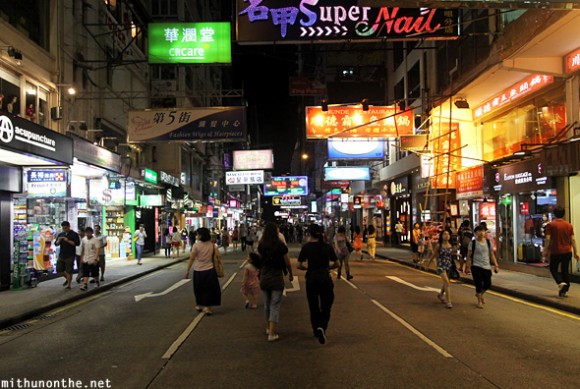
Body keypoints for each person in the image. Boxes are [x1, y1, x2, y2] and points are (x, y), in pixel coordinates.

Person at [297, 223, 339, 345]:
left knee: (313, 306)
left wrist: (307, 268)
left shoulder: (306, 248)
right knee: (326, 305)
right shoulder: (327, 247)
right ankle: (322, 326)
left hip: (311, 279)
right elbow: (337, 264)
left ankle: (316, 330)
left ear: (309, 234)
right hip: (325, 278)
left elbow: (299, 265)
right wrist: (328, 267)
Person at [257, 222, 293, 342]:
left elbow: (259, 260)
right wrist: (290, 273)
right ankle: (272, 333)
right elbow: (287, 261)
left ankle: (268, 328)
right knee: (275, 305)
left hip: (264, 275)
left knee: (267, 304)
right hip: (276, 276)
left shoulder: (261, 245)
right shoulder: (280, 245)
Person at [543, 206, 579, 297]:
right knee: (565, 270)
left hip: (556, 251)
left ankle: (560, 283)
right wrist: (576, 252)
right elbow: (573, 239)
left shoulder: (550, 225)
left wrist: (545, 251)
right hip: (567, 251)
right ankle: (564, 290)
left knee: (553, 269)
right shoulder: (568, 225)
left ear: (554, 214)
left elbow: (548, 239)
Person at [184, 227, 221, 315]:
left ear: (201, 236)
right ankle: (207, 307)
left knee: (199, 289)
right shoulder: (212, 245)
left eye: (198, 234)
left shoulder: (196, 246)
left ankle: (199, 304)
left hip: (198, 270)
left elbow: (192, 258)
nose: (197, 236)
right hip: (210, 270)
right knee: (210, 289)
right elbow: (219, 256)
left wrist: (187, 271)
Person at [465, 225, 499, 308]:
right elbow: (468, 255)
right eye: (479, 231)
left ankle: (480, 294)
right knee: (478, 283)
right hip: (476, 266)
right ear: (476, 233)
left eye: (483, 231)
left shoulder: (488, 242)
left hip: (486, 266)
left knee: (488, 283)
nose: (481, 233)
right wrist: (467, 266)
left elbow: (491, 254)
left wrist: (496, 265)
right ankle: (479, 301)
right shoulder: (472, 243)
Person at [429, 229, 457, 309]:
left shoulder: (450, 245)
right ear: (441, 236)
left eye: (448, 234)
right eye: (445, 234)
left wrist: (457, 254)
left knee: (446, 282)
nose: (447, 236)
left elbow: (451, 254)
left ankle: (440, 295)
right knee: (447, 283)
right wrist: (428, 264)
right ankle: (449, 302)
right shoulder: (439, 245)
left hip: (449, 265)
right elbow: (434, 254)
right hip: (441, 265)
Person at [54, 221, 81, 290]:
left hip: (70, 255)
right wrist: (59, 241)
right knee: (59, 269)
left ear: (69, 227)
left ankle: (69, 285)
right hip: (62, 254)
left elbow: (77, 244)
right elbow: (56, 244)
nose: (64, 229)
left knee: (69, 270)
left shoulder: (74, 234)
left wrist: (67, 240)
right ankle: (68, 279)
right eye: (63, 228)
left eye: (65, 228)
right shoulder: (61, 234)